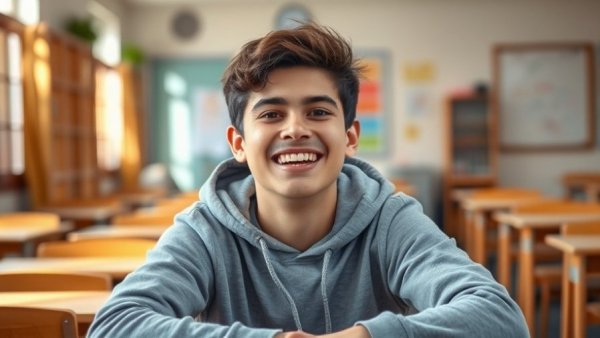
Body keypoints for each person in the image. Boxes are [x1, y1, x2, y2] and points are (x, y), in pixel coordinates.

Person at [88, 23, 528, 338]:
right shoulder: (203, 231)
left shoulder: (390, 219)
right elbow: (115, 325)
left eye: (318, 111)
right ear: (238, 143)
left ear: (350, 136)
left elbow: (500, 319)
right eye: (272, 113)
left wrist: (364, 336)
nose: (295, 129)